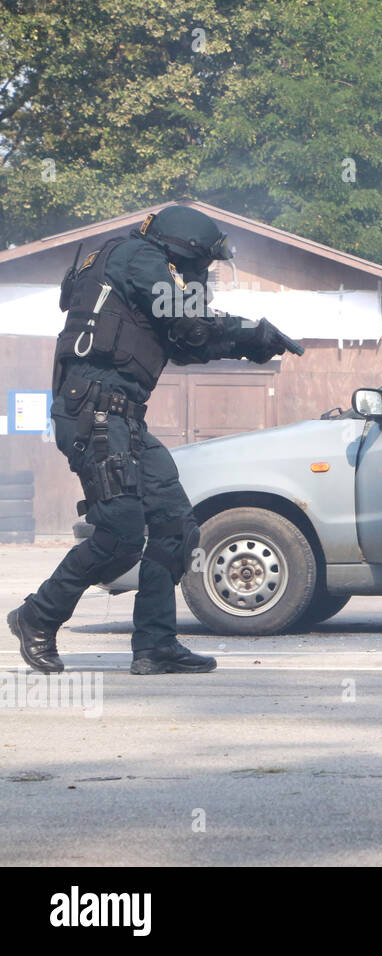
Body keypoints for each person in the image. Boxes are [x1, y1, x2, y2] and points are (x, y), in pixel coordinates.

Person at [8, 205, 298, 675]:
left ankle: (155, 645)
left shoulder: (136, 266)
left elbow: (188, 344)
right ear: (184, 250)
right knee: (120, 535)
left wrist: (253, 342)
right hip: (95, 415)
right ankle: (36, 616)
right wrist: (249, 330)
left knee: (174, 527)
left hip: (121, 418)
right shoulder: (136, 257)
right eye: (201, 264)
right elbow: (188, 318)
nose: (202, 275)